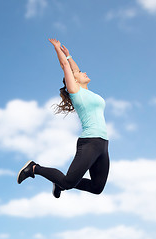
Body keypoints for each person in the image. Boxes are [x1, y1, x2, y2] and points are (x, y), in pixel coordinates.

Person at [17, 39, 110, 198]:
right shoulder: (77, 93)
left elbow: (73, 67)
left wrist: (69, 55)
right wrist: (57, 49)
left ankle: (58, 180)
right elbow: (66, 67)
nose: (83, 72)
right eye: (79, 73)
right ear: (73, 81)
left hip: (103, 143)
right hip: (90, 142)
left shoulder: (88, 92)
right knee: (68, 182)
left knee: (97, 187)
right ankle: (34, 168)